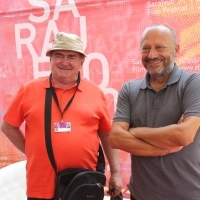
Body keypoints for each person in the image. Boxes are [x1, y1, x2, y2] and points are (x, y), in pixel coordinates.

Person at [1, 32, 122, 200]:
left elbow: (107, 134)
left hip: (83, 185)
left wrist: (116, 173)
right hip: (40, 186)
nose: (64, 62)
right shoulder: (29, 89)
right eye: (59, 55)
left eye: (71, 56)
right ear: (50, 59)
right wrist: (31, 150)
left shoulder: (95, 92)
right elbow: (8, 126)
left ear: (81, 62)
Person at [109, 24, 200, 200]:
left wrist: (134, 131)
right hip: (140, 195)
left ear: (176, 49)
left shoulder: (194, 83)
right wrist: (165, 148)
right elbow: (116, 138)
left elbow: (184, 135)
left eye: (160, 47)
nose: (152, 55)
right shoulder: (129, 89)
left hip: (188, 195)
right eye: (146, 48)